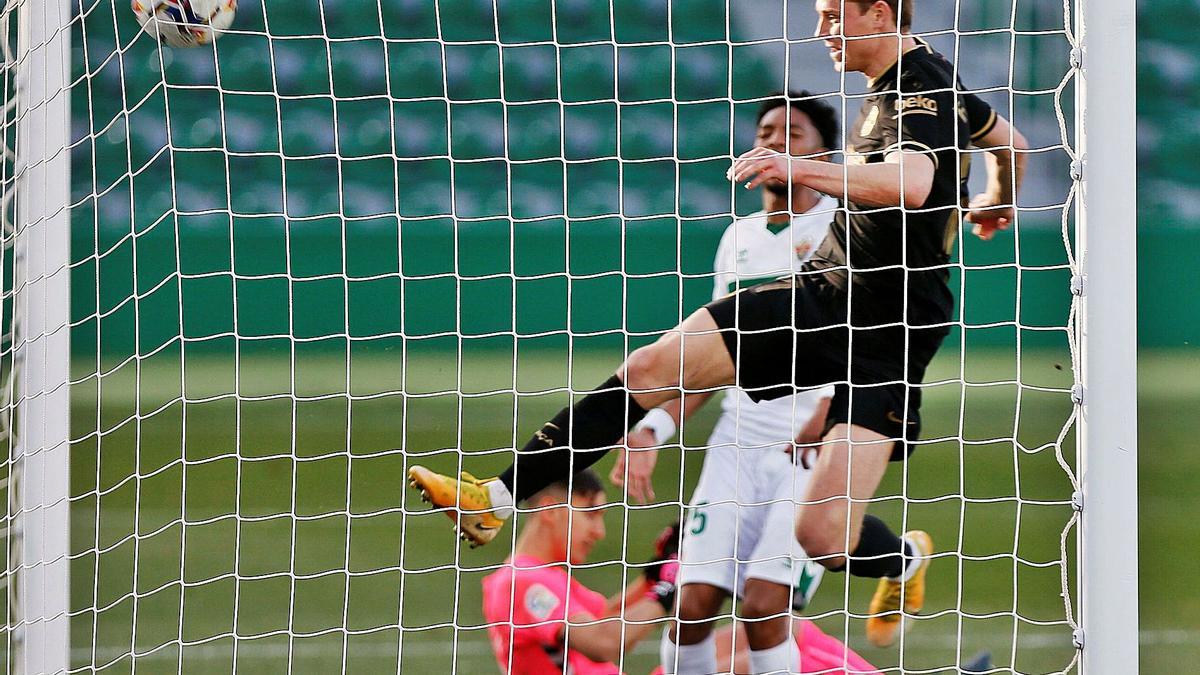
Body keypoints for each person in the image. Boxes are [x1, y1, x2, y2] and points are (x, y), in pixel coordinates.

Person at [414, 0, 1027, 650]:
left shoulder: (921, 86)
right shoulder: (914, 82)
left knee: (821, 537)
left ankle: (901, 558)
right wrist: (1001, 200)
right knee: (653, 368)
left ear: (878, 12)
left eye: (830, 15)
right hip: (827, 293)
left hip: (890, 330)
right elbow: (1009, 142)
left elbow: (909, 183)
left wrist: (798, 167)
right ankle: (496, 499)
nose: (820, 30)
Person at [608, 91, 843, 674]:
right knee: (689, 606)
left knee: (764, 608)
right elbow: (715, 359)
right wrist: (652, 428)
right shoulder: (736, 239)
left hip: (812, 447)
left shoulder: (841, 227)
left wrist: (834, 410)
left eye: (793, 133)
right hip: (736, 441)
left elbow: (872, 339)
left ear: (823, 154)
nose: (775, 141)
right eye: (766, 130)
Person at [480, 476, 881, 675]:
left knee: (781, 630)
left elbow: (604, 618)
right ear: (550, 510)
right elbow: (605, 643)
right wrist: (672, 585)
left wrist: (658, 571)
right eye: (591, 515)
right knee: (759, 655)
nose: (599, 531)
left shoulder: (545, 578)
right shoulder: (519, 582)